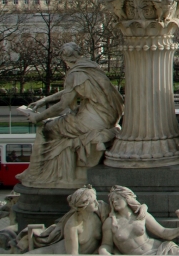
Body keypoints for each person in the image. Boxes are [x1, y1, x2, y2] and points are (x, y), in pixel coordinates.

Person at [17, 43, 123, 188]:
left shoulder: (74, 74)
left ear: (64, 58)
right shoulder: (91, 67)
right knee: (58, 122)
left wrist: (37, 117)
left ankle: (39, 173)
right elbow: (72, 89)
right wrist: (45, 100)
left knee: (46, 128)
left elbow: (62, 105)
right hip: (109, 116)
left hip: (93, 120)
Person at [99, 186, 179, 255]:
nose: (114, 202)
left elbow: (163, 232)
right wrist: (104, 253)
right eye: (112, 200)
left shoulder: (141, 214)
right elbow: (106, 245)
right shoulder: (111, 222)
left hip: (161, 249)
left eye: (117, 198)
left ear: (126, 198)